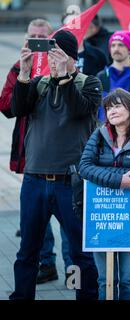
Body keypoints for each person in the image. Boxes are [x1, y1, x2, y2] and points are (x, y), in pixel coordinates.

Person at [9, 29, 101, 300]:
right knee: (27, 251)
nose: (51, 59)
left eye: (57, 53)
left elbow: (79, 110)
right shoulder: (39, 83)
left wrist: (64, 76)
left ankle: (85, 296)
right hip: (34, 180)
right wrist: (24, 74)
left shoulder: (90, 83)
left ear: (71, 57)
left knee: (80, 252)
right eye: (49, 54)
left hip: (70, 183)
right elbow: (17, 110)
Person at [0, 18, 74, 286]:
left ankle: (71, 270)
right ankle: (46, 263)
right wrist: (25, 79)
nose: (38, 43)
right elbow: (7, 106)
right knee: (35, 219)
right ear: (25, 40)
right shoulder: (20, 67)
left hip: (62, 160)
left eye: (43, 38)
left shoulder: (66, 69)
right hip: (31, 151)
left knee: (68, 222)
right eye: (33, 38)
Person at [79, 88, 130, 300]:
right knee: (105, 280)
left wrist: (101, 174)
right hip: (101, 215)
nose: (111, 111)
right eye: (108, 107)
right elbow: (84, 167)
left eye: (117, 105)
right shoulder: (99, 134)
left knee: (129, 279)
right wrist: (119, 179)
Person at [96, 31, 130, 122]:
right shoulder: (101, 76)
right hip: (105, 130)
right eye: (113, 45)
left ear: (129, 50)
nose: (116, 49)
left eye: (121, 45)